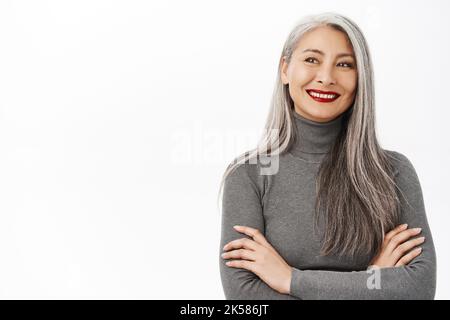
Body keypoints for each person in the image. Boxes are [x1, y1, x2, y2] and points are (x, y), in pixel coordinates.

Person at [218, 12, 436, 300]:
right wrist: (372, 280)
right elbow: (245, 297)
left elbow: (418, 289)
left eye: (344, 64)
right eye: (311, 59)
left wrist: (290, 279)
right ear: (285, 69)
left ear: (360, 79)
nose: (325, 77)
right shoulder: (248, 174)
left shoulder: (393, 172)